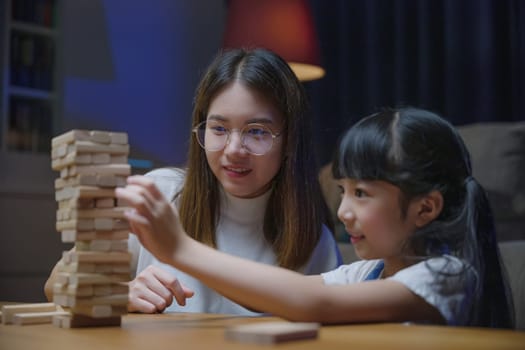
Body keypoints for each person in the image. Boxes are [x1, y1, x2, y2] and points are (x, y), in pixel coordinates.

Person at [116, 107, 515, 328]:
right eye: (343, 192)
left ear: (424, 208)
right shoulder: (366, 272)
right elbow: (285, 294)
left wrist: (181, 249)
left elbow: (313, 301)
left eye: (362, 194)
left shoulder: (447, 276)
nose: (343, 211)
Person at [44, 48, 342, 315]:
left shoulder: (317, 243)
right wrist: (118, 293)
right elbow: (56, 284)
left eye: (257, 131)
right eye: (219, 128)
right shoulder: (159, 194)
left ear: (290, 140)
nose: (234, 150)